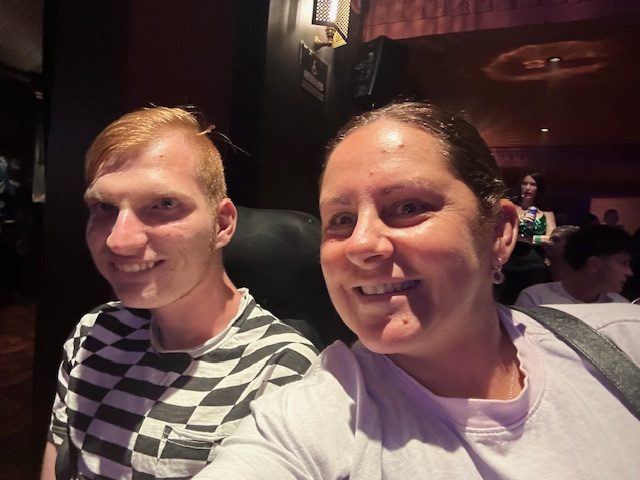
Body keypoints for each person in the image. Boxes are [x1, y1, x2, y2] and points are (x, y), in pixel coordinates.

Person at [194, 101, 640, 480]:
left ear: (500, 232)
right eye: (342, 219)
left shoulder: (622, 340)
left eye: (408, 207)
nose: (361, 245)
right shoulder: (306, 419)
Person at [39, 107, 319, 480]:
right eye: (104, 207)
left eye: (164, 204)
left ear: (222, 224)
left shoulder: (281, 369)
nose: (119, 241)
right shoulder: (94, 331)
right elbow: (58, 459)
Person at [516, 224, 633, 305]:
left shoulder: (620, 305)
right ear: (594, 264)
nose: (629, 272)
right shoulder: (536, 299)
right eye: (623, 262)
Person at [499, 172, 556, 304]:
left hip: (534, 261)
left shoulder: (546, 213)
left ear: (538, 188)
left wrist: (529, 239)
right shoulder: (511, 208)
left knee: (532, 300)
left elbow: (551, 238)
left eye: (532, 184)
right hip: (510, 259)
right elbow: (500, 232)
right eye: (525, 183)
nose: (528, 188)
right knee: (507, 299)